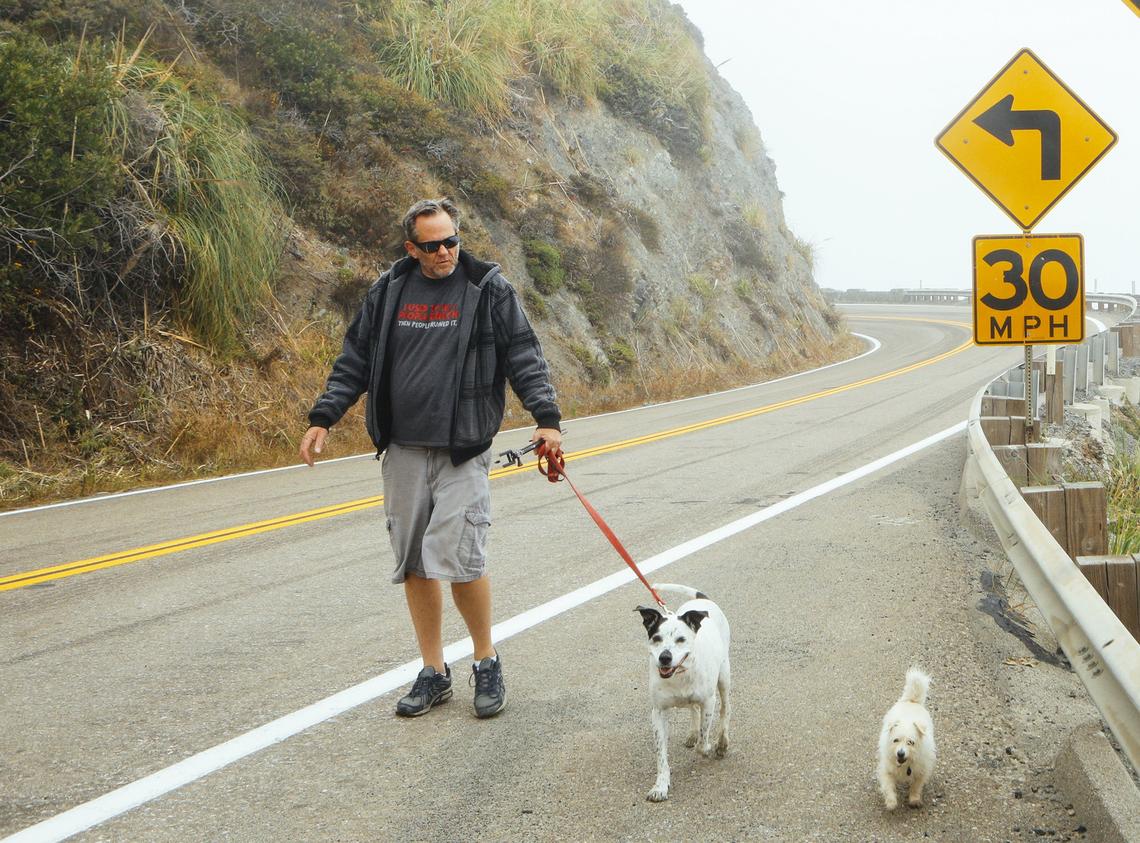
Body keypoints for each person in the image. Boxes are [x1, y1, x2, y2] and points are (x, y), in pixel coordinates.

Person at [299, 198, 562, 719]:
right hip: (401, 447)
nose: (445, 251)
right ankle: (433, 672)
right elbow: (355, 358)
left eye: (452, 241)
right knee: (414, 561)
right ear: (411, 248)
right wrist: (323, 416)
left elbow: (523, 354)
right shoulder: (390, 290)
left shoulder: (486, 288)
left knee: (463, 558)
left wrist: (547, 417)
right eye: (433, 244)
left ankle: (486, 662)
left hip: (463, 446)